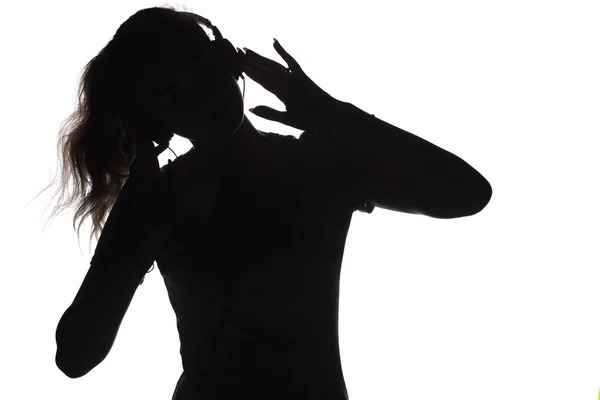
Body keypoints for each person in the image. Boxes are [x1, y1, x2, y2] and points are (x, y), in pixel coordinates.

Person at [51, 5, 492, 400]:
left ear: (228, 60)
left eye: (203, 71)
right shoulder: (159, 201)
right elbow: (75, 356)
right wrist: (128, 238)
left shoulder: (319, 165)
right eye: (175, 96)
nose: (202, 97)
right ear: (156, 125)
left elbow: (467, 193)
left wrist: (328, 110)